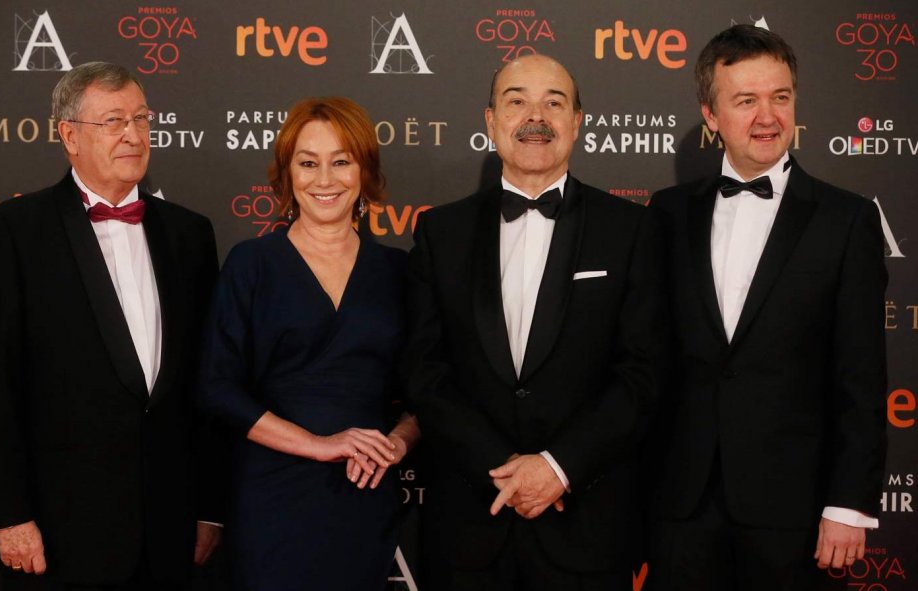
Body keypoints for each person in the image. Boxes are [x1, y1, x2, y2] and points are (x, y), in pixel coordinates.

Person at [0, 62, 223, 590]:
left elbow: (204, 385)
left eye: (142, 119)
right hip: (55, 535)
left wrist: (209, 508)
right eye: (114, 121)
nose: (133, 134)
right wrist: (6, 516)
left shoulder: (191, 234)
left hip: (169, 532)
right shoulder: (11, 231)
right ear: (69, 135)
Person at [402, 54, 665, 590]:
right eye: (516, 100)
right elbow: (423, 371)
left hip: (585, 526)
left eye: (554, 102)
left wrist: (557, 467)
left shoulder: (631, 229)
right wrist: (502, 468)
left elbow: (644, 372)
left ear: (578, 121)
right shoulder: (440, 233)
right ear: (490, 120)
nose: (535, 116)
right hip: (470, 527)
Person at [648, 25, 888, 590]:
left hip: (795, 515)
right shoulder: (666, 213)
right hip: (681, 509)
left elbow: (862, 376)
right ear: (710, 114)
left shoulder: (846, 220)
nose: (767, 116)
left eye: (780, 97)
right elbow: (647, 360)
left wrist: (849, 505)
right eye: (746, 100)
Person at [198, 96, 420, 590]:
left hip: (364, 495)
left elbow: (427, 391)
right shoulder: (251, 264)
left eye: (341, 161)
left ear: (364, 171)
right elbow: (217, 389)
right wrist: (319, 445)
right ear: (286, 174)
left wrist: (397, 443)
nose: (325, 179)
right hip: (272, 497)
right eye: (308, 162)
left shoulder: (399, 272)